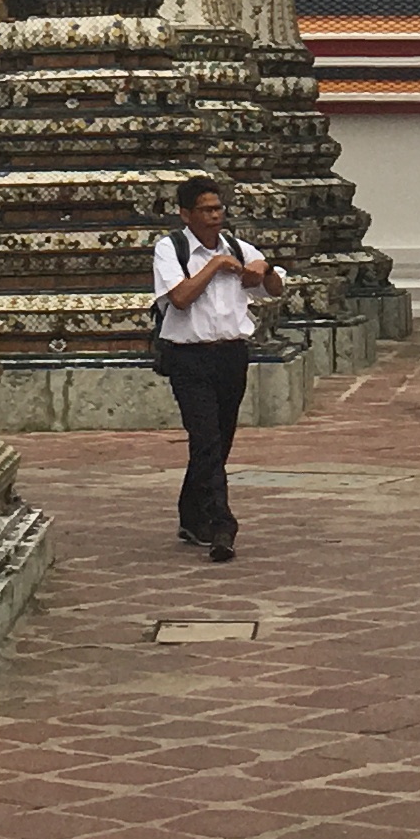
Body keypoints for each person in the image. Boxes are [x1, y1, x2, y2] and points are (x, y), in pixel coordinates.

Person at [146, 173, 274, 565]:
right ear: (186, 214)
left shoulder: (237, 245)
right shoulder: (172, 249)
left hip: (231, 354)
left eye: (218, 208)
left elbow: (273, 285)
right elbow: (181, 297)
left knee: (220, 441)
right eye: (205, 210)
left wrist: (263, 268)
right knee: (205, 439)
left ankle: (191, 514)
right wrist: (216, 264)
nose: (214, 216)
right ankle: (222, 523)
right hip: (189, 356)